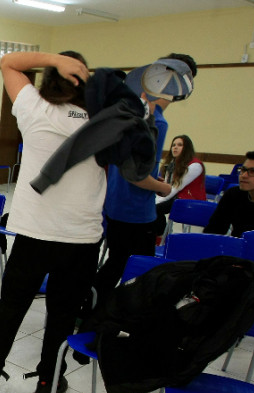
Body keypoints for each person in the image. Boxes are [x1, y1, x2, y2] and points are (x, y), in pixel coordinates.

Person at [0, 51, 106, 393]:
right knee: (62, 313)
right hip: (82, 239)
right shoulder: (104, 121)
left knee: (12, 307)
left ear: (51, 77)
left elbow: (8, 62)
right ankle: (48, 381)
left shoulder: (35, 108)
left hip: (34, 235)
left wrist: (53, 57)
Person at [93, 54, 195, 303]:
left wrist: (151, 176)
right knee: (139, 271)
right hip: (135, 212)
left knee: (116, 263)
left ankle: (90, 309)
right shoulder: (155, 121)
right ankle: (104, 314)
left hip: (116, 207)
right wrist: (162, 186)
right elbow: (136, 178)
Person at [204, 151, 254, 237]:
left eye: (253, 171)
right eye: (243, 169)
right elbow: (213, 231)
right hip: (238, 247)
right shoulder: (233, 194)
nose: (244, 175)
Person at [153, 134, 205, 236]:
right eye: (173, 145)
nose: (175, 147)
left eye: (180, 145)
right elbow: (167, 185)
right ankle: (161, 235)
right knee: (151, 207)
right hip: (176, 197)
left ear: (186, 148)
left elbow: (176, 187)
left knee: (155, 209)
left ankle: (161, 236)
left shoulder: (195, 165)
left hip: (190, 201)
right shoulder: (172, 164)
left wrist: (157, 201)